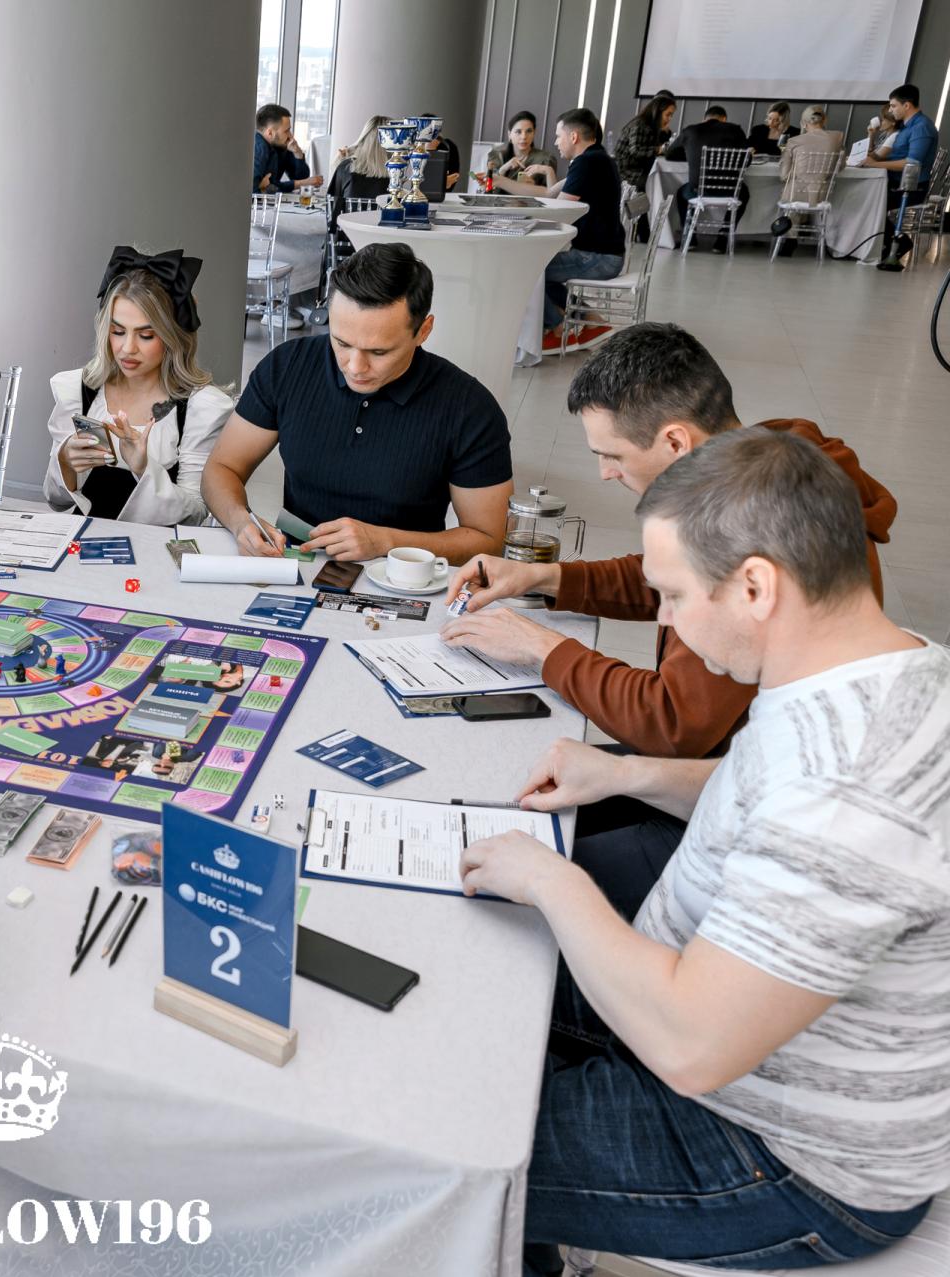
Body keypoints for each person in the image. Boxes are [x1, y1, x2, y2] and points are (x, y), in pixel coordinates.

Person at [459, 428, 947, 1275]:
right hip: (723, 1014)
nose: (664, 619)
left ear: (756, 585)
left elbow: (691, 1045)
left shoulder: (843, 788)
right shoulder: (882, 662)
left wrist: (551, 878)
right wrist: (629, 772)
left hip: (784, 1155)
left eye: (675, 594)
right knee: (467, 967)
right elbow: (757, 788)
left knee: (459, 1145)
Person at [440, 324, 896, 911]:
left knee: (486, 873)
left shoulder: (752, 535)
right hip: (725, 776)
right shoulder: (768, 462)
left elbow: (674, 723)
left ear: (675, 441)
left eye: (611, 455)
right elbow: (672, 575)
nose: (604, 473)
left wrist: (544, 648)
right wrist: (548, 578)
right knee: (510, 801)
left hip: (728, 825)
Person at [202, 242, 511, 564]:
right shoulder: (288, 366)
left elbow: (488, 540)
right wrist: (241, 522)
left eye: (379, 352)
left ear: (424, 331)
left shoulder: (469, 408)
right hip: (298, 564)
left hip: (405, 574)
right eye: (342, 342)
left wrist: (386, 541)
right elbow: (222, 468)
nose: (355, 367)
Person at [43, 248, 231, 525]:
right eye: (118, 332)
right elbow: (56, 501)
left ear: (173, 337)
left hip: (154, 551)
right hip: (82, 545)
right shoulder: (78, 390)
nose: (127, 348)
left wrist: (144, 469)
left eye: (146, 335)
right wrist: (66, 463)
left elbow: (196, 515)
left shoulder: (200, 407)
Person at [501, 108, 623, 350]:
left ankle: (558, 328)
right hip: (607, 252)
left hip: (598, 257)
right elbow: (552, 194)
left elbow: (561, 210)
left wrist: (523, 218)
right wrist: (547, 175)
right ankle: (591, 320)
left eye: (558, 136)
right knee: (536, 269)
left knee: (524, 269)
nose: (556, 142)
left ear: (573, 136)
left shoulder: (587, 162)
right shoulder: (599, 158)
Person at [863, 84, 939, 258]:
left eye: (893, 106)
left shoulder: (921, 127)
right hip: (896, 182)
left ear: (907, 105)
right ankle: (881, 244)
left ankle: (899, 242)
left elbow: (912, 163)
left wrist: (873, 165)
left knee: (870, 202)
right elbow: (889, 156)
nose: (890, 110)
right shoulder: (906, 127)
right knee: (864, 198)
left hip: (911, 188)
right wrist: (871, 157)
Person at [665, 106, 752, 245]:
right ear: (724, 119)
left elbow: (669, 154)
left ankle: (690, 238)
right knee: (744, 193)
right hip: (729, 190)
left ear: (704, 119)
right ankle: (723, 240)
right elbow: (747, 160)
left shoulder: (691, 130)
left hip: (698, 190)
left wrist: (692, 155)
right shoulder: (736, 130)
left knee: (682, 193)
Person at [775, 107, 845, 255]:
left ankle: (790, 237)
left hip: (795, 195)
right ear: (824, 121)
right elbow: (840, 167)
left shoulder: (794, 141)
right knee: (803, 188)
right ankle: (804, 227)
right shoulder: (837, 138)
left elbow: (784, 175)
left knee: (792, 190)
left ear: (803, 123)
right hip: (823, 194)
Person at [325, 115, 394, 214]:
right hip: (382, 224)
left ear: (364, 138)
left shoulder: (346, 167)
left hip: (347, 224)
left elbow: (332, 208)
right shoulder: (396, 174)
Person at [612, 95, 676, 193]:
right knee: (659, 184)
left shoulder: (653, 127)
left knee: (663, 181)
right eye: (668, 115)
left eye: (671, 115)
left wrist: (665, 133)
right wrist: (658, 150)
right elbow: (635, 151)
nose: (670, 119)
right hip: (627, 171)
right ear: (657, 112)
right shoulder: (640, 125)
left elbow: (661, 146)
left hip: (640, 168)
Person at [253, 102, 318, 194]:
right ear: (270, 133)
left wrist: (298, 153)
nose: (290, 136)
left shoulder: (280, 145)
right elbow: (253, 192)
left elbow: (301, 178)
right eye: (286, 131)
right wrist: (267, 187)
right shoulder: (258, 149)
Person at [486, 109, 559, 189]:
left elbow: (552, 194)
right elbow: (487, 190)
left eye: (529, 131)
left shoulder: (546, 159)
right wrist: (502, 170)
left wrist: (534, 188)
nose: (524, 137)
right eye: (518, 132)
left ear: (534, 133)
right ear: (509, 134)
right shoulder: (496, 156)